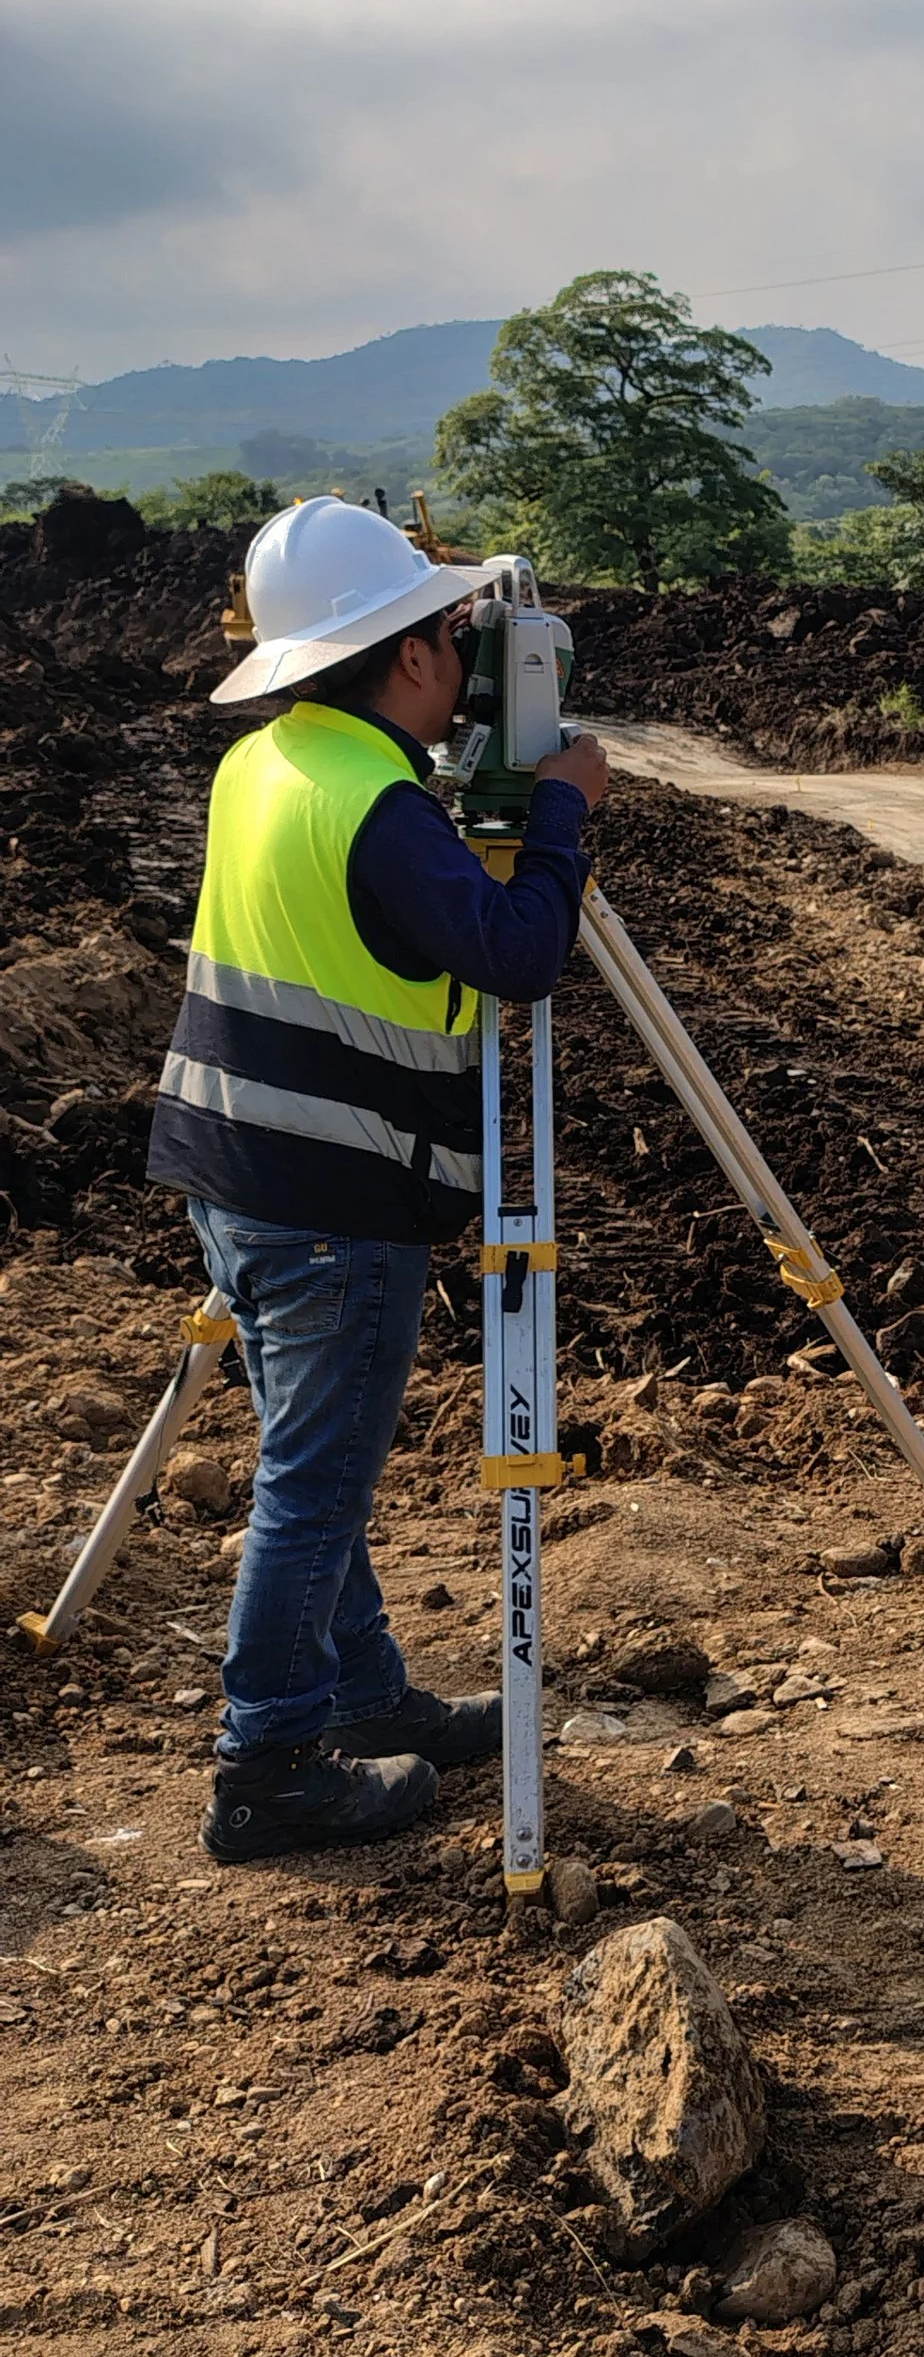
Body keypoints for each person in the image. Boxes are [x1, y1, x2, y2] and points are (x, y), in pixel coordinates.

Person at [147, 495, 610, 1863]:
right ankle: (270, 1762)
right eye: (452, 636)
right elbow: (519, 953)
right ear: (406, 657)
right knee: (315, 1482)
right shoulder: (381, 808)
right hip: (335, 1202)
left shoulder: (272, 764)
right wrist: (567, 810)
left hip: (231, 1169)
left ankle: (360, 1697)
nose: (465, 660)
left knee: (314, 1461)